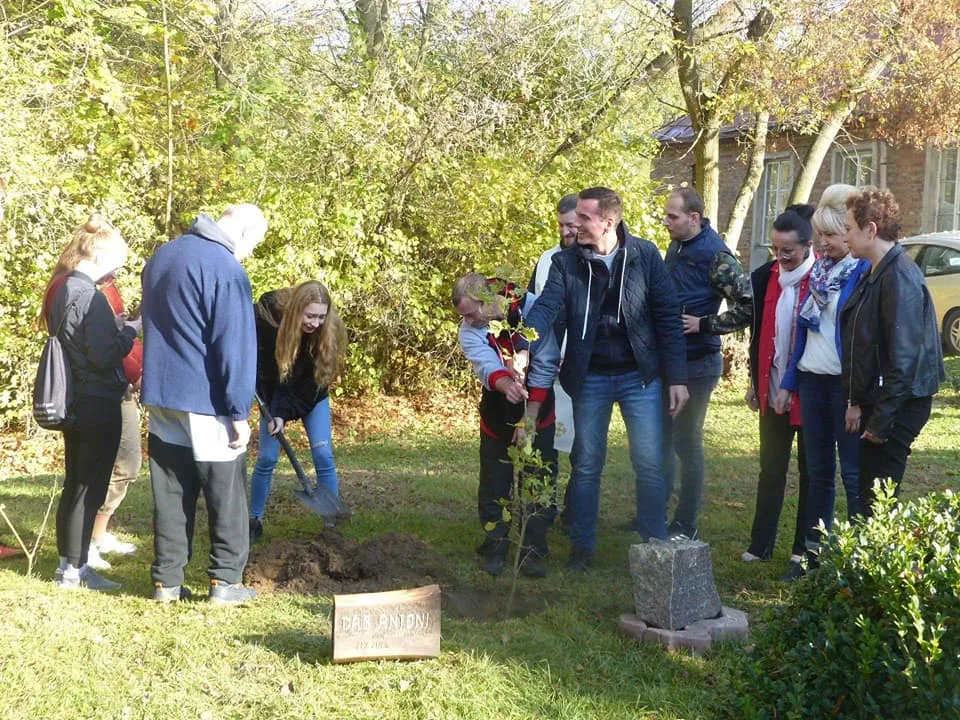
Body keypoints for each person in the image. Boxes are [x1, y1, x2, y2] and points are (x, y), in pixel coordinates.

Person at [523, 186, 688, 571]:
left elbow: (668, 317)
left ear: (608, 222)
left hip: (639, 376)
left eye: (583, 217)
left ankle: (654, 545)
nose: (575, 225)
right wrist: (522, 341)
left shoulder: (645, 255)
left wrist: (677, 377)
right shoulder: (566, 262)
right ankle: (582, 548)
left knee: (649, 463)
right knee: (586, 464)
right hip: (590, 376)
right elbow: (546, 306)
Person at [141, 204, 267, 604]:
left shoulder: (163, 255)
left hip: (162, 393)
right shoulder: (226, 269)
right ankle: (226, 581)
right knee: (226, 493)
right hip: (207, 399)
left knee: (171, 493)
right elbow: (235, 347)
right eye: (254, 245)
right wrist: (239, 411)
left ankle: (166, 582)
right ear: (244, 233)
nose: (249, 253)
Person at [42, 215, 139, 591]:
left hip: (75, 399)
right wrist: (130, 331)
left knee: (76, 484)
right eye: (117, 263)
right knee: (89, 486)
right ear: (100, 256)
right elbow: (103, 355)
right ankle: (75, 569)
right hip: (97, 400)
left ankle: (68, 565)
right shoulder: (91, 297)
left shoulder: (63, 288)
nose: (116, 272)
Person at [777, 185, 868, 565]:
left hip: (844, 386)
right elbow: (802, 331)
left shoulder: (863, 272)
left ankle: (860, 560)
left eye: (830, 235)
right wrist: (788, 382)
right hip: (811, 380)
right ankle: (813, 557)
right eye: (819, 236)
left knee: (853, 475)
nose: (823, 243)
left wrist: (858, 396)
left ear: (849, 232)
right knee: (818, 473)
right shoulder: (818, 271)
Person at [840, 188, 944, 517]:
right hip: (881, 401)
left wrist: (880, 423)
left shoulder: (899, 276)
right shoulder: (876, 271)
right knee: (869, 497)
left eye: (849, 229)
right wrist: (857, 401)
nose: (845, 237)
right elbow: (863, 343)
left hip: (900, 405)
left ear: (870, 229)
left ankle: (879, 553)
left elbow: (903, 359)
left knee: (877, 503)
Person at [660, 187, 752, 540]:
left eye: (672, 216)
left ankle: (686, 522)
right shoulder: (677, 246)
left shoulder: (717, 256)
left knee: (686, 442)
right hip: (671, 360)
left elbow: (748, 306)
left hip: (698, 364)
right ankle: (655, 513)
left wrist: (705, 324)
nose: (666, 222)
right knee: (662, 440)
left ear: (694, 218)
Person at [454, 273, 558, 578]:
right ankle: (495, 546)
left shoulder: (533, 311)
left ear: (488, 300)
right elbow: (486, 365)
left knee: (537, 480)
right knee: (494, 482)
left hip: (539, 408)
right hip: (496, 414)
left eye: (471, 313)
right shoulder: (469, 330)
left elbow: (547, 363)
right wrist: (506, 384)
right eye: (463, 315)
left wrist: (529, 419)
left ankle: (533, 550)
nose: (468, 321)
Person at [742, 205, 815, 580]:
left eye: (788, 250)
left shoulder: (821, 279)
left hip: (810, 393)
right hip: (771, 388)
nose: (781, 257)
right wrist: (754, 383)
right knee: (770, 468)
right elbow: (757, 335)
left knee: (811, 472)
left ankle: (804, 549)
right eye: (775, 249)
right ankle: (761, 544)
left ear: (808, 246)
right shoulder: (763, 277)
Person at [249, 280, 347, 540]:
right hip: (272, 394)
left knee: (323, 455)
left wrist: (284, 414)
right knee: (267, 458)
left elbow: (312, 385)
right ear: (296, 310)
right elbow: (263, 373)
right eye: (310, 316)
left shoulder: (328, 334)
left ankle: (331, 524)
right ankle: (254, 520)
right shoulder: (268, 323)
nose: (315, 323)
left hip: (311, 395)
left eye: (321, 317)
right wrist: (275, 412)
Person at [85, 274, 143, 570]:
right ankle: (85, 542)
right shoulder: (85, 289)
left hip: (122, 388)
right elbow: (102, 347)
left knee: (128, 466)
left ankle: (98, 534)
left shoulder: (108, 286)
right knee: (103, 468)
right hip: (103, 390)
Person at [528, 194, 578, 527]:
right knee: (546, 443)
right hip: (547, 367)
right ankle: (545, 509)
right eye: (561, 225)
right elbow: (535, 310)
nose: (565, 231)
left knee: (580, 448)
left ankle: (575, 512)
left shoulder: (594, 260)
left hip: (580, 369)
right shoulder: (547, 259)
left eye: (571, 225)